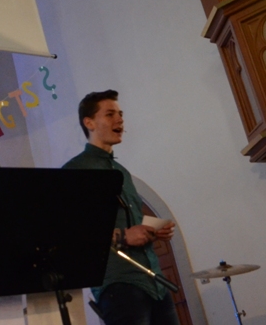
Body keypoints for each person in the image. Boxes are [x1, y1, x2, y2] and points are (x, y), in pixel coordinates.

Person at [62, 90, 180, 325]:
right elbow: (71, 234)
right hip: (119, 284)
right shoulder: (75, 171)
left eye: (120, 114)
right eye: (110, 114)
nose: (120, 120)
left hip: (154, 281)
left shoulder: (122, 172)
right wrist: (124, 237)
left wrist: (153, 229)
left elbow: (129, 221)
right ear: (89, 123)